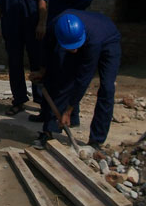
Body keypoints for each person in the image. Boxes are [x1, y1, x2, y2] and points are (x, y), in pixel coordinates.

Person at [30, 10, 121, 150]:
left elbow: (83, 79)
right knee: (61, 77)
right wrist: (42, 70)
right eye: (70, 48)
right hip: (86, 35)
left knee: (107, 88)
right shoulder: (54, 26)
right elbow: (47, 49)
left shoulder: (93, 42)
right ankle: (49, 130)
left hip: (109, 39)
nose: (75, 51)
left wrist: (69, 110)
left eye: (76, 47)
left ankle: (96, 140)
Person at [32, 0, 93, 126]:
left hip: (63, 36)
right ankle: (47, 113)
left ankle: (65, 117)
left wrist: (70, 14)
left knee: (62, 77)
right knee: (52, 75)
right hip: (56, 34)